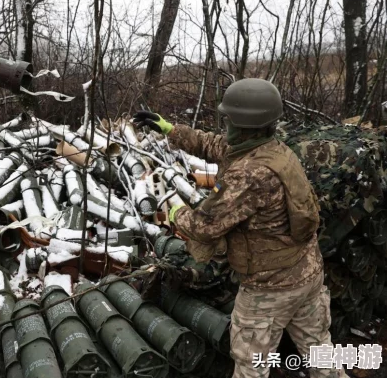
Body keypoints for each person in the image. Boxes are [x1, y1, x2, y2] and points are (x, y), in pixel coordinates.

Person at [133, 78, 349, 378]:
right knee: (320, 351)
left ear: (245, 124)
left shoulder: (250, 174)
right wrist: (170, 129)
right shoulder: (271, 148)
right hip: (307, 272)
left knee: (250, 366)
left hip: (269, 287)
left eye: (229, 119)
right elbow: (214, 145)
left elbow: (206, 227)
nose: (225, 125)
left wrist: (174, 211)